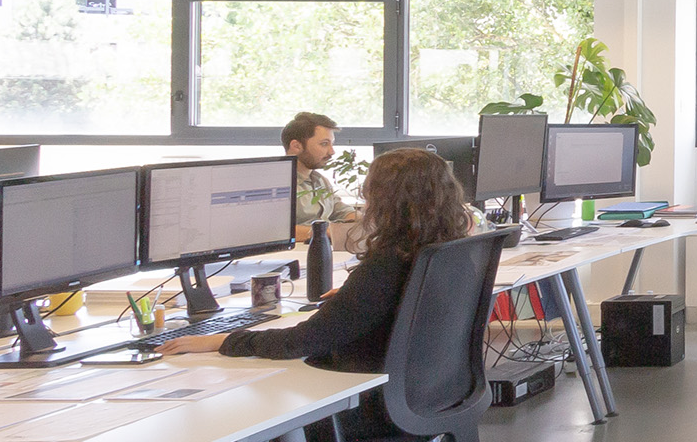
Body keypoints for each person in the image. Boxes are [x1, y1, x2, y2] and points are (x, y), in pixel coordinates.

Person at [161, 147, 468, 368]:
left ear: (386, 199)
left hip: (363, 409)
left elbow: (302, 342)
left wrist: (228, 340)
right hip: (416, 401)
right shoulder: (450, 250)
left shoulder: (386, 264)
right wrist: (358, 298)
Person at [283, 111, 356, 243]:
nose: (331, 152)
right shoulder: (278, 184)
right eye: (324, 144)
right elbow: (273, 230)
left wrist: (368, 223)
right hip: (298, 254)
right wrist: (323, 232)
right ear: (296, 146)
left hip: (322, 248)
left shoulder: (320, 180)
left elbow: (341, 211)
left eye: (331, 144)